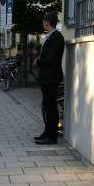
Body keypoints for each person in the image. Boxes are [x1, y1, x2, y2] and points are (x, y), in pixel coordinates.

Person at [33, 12, 65, 145]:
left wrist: (38, 61)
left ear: (47, 22)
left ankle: (52, 136)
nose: (43, 23)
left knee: (51, 107)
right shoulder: (50, 36)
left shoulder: (57, 37)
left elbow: (51, 59)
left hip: (51, 77)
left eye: (43, 21)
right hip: (47, 78)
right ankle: (47, 132)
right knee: (47, 106)